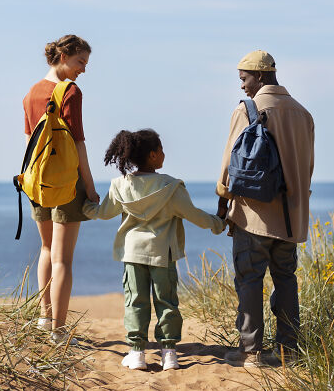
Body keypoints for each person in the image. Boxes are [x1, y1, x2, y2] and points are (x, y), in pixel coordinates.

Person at [83, 129, 225, 371]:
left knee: (135, 301)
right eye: (160, 150)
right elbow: (195, 215)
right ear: (152, 155)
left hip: (132, 253)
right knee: (166, 302)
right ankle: (169, 354)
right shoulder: (171, 187)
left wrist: (84, 206)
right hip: (163, 254)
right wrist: (218, 224)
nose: (163, 154)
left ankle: (137, 353)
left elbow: (103, 213)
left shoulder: (120, 185)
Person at [216, 50, 314, 367]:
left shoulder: (247, 110)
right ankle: (288, 351)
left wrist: (223, 196)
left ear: (259, 75)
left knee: (249, 279)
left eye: (244, 79)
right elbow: (307, 167)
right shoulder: (303, 113)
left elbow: (228, 170)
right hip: (291, 217)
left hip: (253, 214)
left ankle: (251, 351)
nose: (242, 86)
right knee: (286, 279)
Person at [22, 34, 99, 344]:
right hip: (68, 183)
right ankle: (59, 330)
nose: (83, 69)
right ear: (64, 56)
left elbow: (29, 142)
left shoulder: (30, 93)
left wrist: (28, 179)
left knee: (45, 249)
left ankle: (44, 318)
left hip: (36, 179)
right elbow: (78, 142)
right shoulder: (69, 91)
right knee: (63, 259)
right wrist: (90, 188)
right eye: (81, 62)